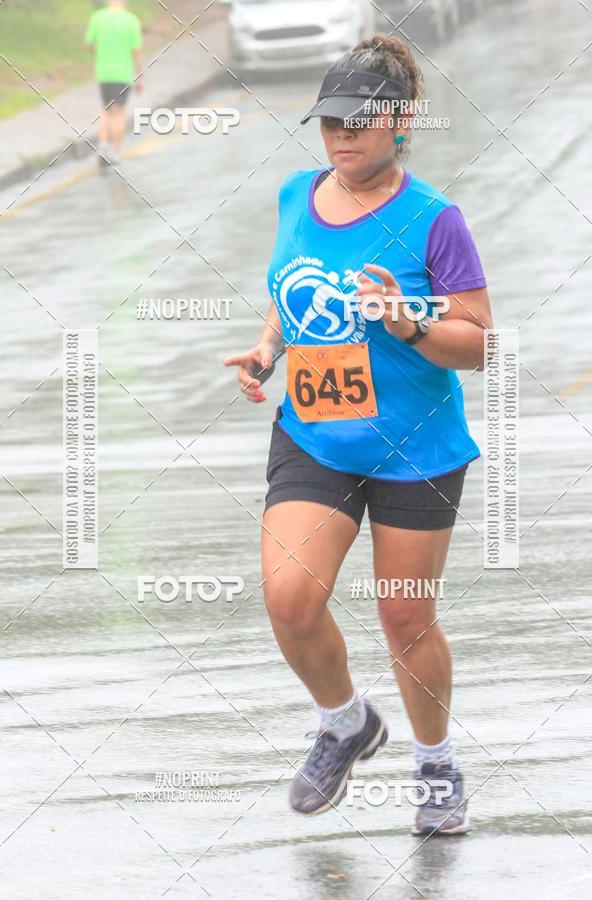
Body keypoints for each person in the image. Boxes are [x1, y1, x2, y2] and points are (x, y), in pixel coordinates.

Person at [224, 33, 492, 836]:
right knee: (289, 596)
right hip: (316, 435)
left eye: (359, 120)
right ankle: (344, 722)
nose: (341, 135)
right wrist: (270, 348)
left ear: (402, 120)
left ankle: (436, 763)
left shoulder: (435, 220)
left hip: (418, 448)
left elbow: (478, 340)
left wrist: (409, 325)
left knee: (405, 618)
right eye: (329, 121)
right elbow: (289, 282)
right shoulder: (295, 196)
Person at [85, 0, 143, 165]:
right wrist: (140, 74)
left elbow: (89, 44)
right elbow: (136, 51)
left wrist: (100, 53)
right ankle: (115, 151)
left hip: (103, 71)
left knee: (107, 109)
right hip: (123, 73)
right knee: (119, 112)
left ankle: (103, 145)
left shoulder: (97, 17)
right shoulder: (132, 20)